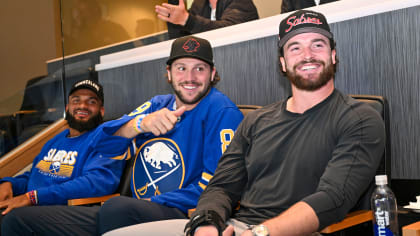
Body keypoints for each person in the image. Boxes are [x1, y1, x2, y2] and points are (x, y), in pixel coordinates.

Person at [102, 9, 386, 236]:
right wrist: (207, 222)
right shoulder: (257, 121)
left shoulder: (360, 119)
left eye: (318, 45)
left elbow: (332, 199)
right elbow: (221, 186)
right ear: (283, 63)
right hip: (235, 227)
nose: (307, 55)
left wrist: (261, 232)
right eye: (295, 48)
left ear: (333, 55)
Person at [1, 35, 243, 236]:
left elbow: (217, 186)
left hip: (177, 211)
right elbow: (100, 143)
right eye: (181, 68)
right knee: (16, 220)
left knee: (116, 208)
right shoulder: (158, 103)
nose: (189, 78)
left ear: (212, 74)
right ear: (168, 73)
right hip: (124, 211)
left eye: (199, 69)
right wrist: (139, 124)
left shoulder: (221, 111)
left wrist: (151, 204)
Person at [0, 79, 125, 234]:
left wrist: (34, 197)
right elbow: (36, 174)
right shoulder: (56, 140)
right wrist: (9, 184)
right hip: (35, 208)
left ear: (101, 110)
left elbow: (96, 184)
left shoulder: (107, 138)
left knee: (13, 219)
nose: (82, 106)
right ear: (67, 107)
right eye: (76, 100)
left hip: (68, 212)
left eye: (91, 101)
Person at [155, 0, 259, 39]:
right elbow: (179, 39)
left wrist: (187, 20)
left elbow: (228, 31)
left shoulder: (241, 2)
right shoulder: (199, 4)